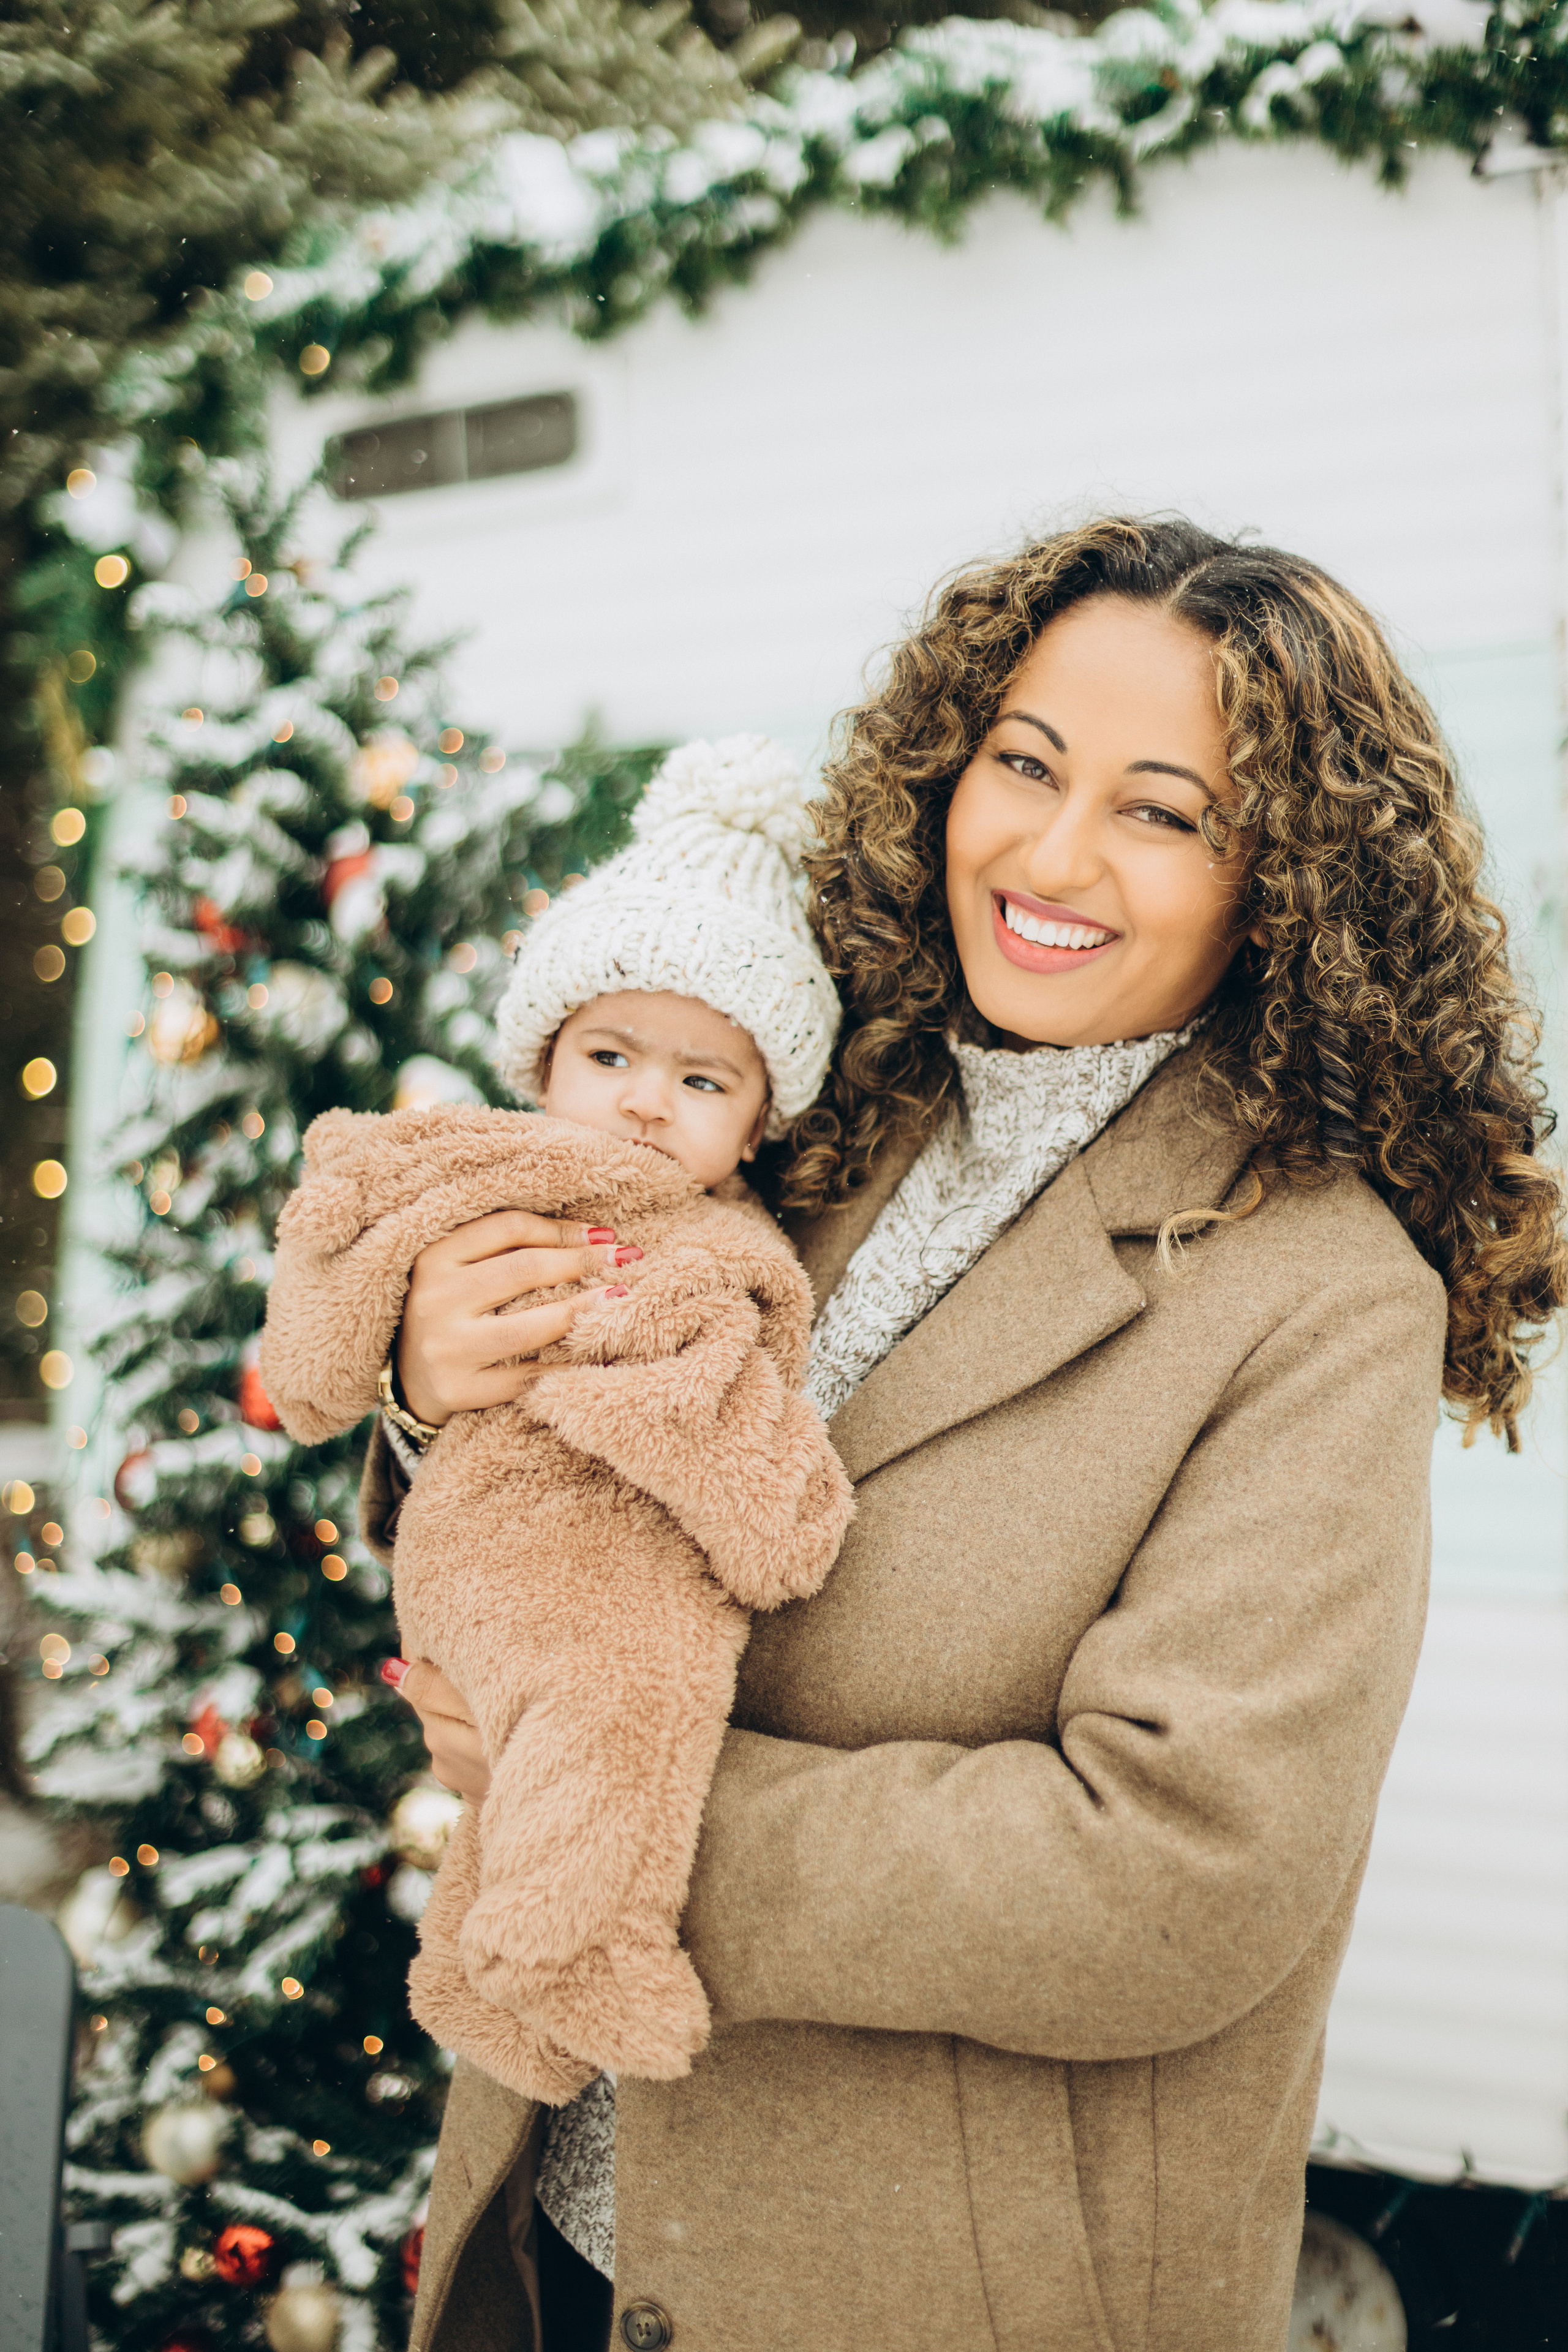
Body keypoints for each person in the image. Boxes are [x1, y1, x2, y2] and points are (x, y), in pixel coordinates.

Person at [374, 518, 1566, 2352]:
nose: (1054, 852)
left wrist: (611, 1795)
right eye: (1023, 763)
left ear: (1288, 881)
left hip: (927, 2289)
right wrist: (438, 1376)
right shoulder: (817, 1100)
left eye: (1165, 810)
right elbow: (585, 1457)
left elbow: (1175, 1876)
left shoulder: (1322, 1288)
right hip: (569, 2234)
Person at [258, 736, 853, 2114]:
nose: (646, 1099)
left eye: (704, 1081)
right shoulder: (517, 1183)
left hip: (536, 1555)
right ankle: (581, 1950)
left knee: (553, 1757)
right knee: (626, 1717)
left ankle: (489, 1985)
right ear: (543, 1059)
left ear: (760, 1120)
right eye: (610, 1054)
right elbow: (345, 1233)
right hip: (539, 1556)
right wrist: (368, 1368)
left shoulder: (734, 1243)